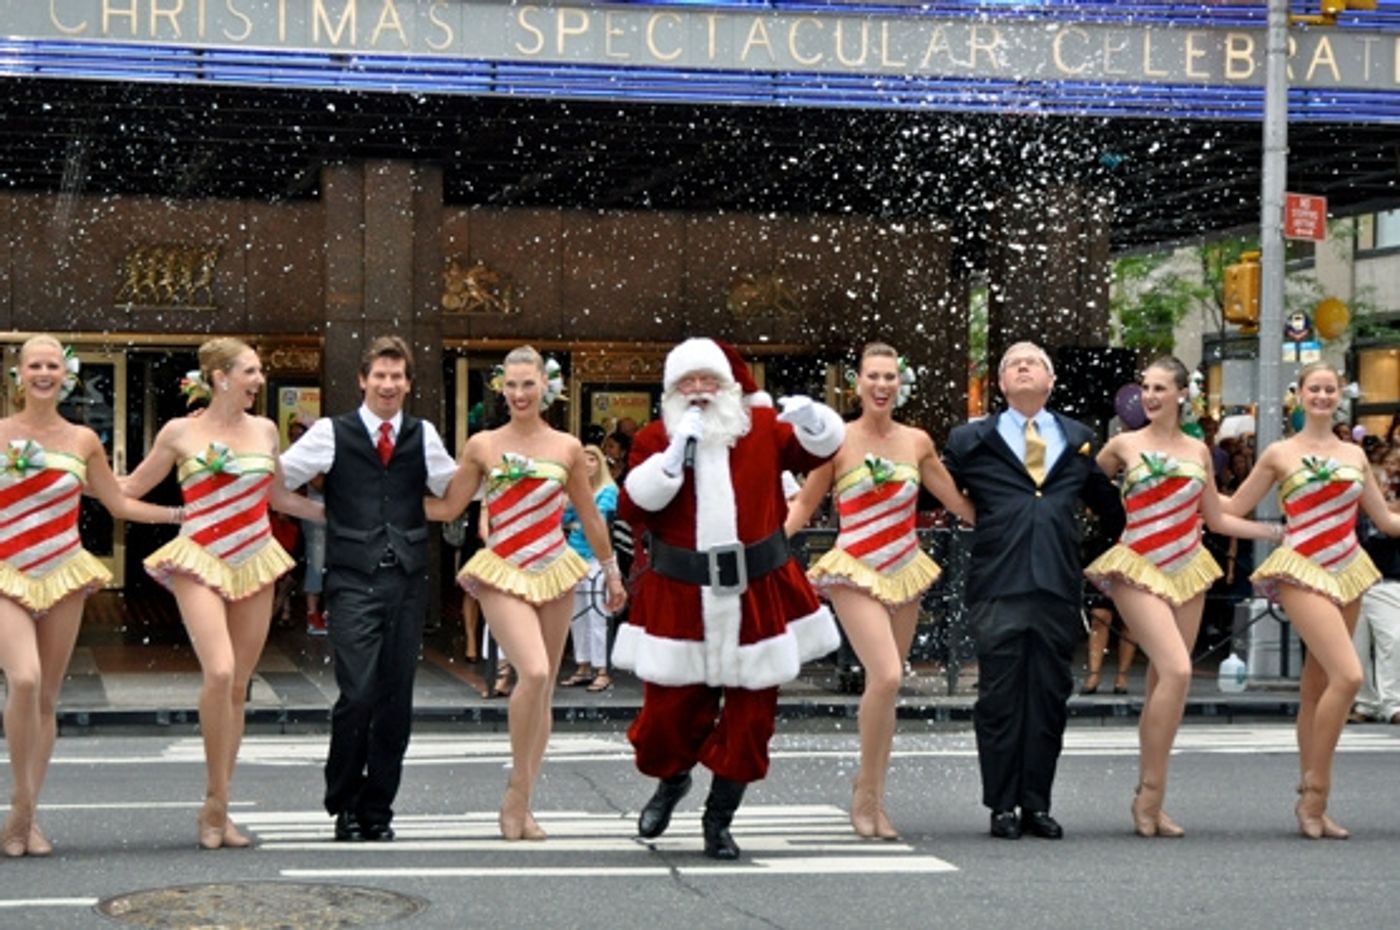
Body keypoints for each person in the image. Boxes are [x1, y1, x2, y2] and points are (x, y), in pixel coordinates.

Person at [614, 338, 844, 860]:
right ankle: (672, 781)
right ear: (671, 391)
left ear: (729, 388)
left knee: (750, 722)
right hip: (680, 596)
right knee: (664, 722)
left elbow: (820, 449)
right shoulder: (653, 438)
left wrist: (814, 418)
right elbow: (634, 504)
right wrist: (675, 456)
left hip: (756, 593)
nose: (698, 392)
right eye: (687, 383)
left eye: (708, 381)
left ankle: (719, 819)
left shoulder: (760, 429)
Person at [122, 336, 324, 850]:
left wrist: (341, 517)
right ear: (220, 377)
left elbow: (277, 496)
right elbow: (126, 491)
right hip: (198, 559)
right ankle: (213, 803)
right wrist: (62, 475)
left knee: (239, 688)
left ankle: (220, 804)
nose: (259, 381)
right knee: (220, 671)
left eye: (259, 372)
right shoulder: (179, 431)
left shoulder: (263, 430)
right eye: (251, 372)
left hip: (255, 559)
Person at [427, 346, 625, 840]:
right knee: (532, 671)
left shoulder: (567, 447)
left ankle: (525, 804)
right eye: (510, 385)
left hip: (557, 569)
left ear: (546, 388)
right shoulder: (482, 445)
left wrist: (612, 571)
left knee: (544, 691)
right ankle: (514, 793)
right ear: (501, 387)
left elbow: (589, 513)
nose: (518, 394)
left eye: (527, 384)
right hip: (501, 569)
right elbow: (450, 507)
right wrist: (374, 499)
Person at [783, 342, 973, 840]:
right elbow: (804, 504)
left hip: (905, 568)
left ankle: (872, 790)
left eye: (890, 377)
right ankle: (865, 795)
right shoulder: (836, 441)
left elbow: (957, 501)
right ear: (858, 383)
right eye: (874, 376)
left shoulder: (917, 442)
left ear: (900, 384)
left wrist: (1015, 522)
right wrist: (762, 546)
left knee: (887, 687)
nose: (882, 385)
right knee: (886, 674)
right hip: (853, 567)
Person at [1083, 356, 1280, 838]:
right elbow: (1082, 487)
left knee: (1164, 686)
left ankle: (1152, 797)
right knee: (1177, 669)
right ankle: (1147, 799)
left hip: (1188, 568)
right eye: (1143, 388)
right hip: (1136, 566)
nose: (1148, 396)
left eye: (1157, 388)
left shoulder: (1197, 450)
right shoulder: (1121, 445)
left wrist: (1275, 530)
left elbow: (1217, 517)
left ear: (1179, 394)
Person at [0, 336, 181, 857]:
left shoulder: (82, 440)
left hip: (62, 570)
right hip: (7, 570)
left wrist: (182, 516)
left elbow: (119, 501)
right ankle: (17, 803)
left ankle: (28, 817)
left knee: (49, 697)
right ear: (19, 374)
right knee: (25, 679)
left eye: (52, 366)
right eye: (33, 364)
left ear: (66, 375)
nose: (42, 373)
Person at [942, 341, 1125, 841]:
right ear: (1001, 385)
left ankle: (1036, 803)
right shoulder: (969, 440)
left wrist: (1081, 555)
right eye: (1012, 365)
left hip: (1056, 588)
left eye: (1034, 363)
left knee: (1047, 699)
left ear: (1050, 382)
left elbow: (1110, 510)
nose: (1023, 367)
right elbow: (930, 491)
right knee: (999, 700)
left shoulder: (1077, 438)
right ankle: (1001, 804)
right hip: (998, 585)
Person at [280, 335, 457, 843]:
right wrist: (320, 513)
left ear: (408, 383)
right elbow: (279, 478)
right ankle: (344, 799)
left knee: (396, 700)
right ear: (362, 380)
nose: (388, 385)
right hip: (353, 579)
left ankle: (378, 807)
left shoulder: (422, 436)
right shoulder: (331, 433)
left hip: (406, 579)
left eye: (397, 376)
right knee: (358, 695)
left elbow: (453, 487)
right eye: (379, 375)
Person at [1223, 361, 1400, 839]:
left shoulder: (1355, 455)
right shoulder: (1279, 453)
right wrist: (1184, 488)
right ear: (1298, 395)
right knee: (1350, 675)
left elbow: (1385, 521)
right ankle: (1313, 793)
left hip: (1349, 570)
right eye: (1313, 389)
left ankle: (1316, 805)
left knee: (1317, 688)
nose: (1322, 396)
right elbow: (1232, 508)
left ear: (1339, 395)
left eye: (1330, 389)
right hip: (1301, 569)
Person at [560, 443, 620, 693]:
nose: (587, 465)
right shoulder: (574, 492)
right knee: (576, 615)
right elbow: (562, 519)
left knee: (598, 614)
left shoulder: (607, 490)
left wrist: (575, 516)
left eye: (592, 460)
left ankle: (602, 669)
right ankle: (583, 665)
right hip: (574, 556)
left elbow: (596, 522)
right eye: (583, 460)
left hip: (598, 558)